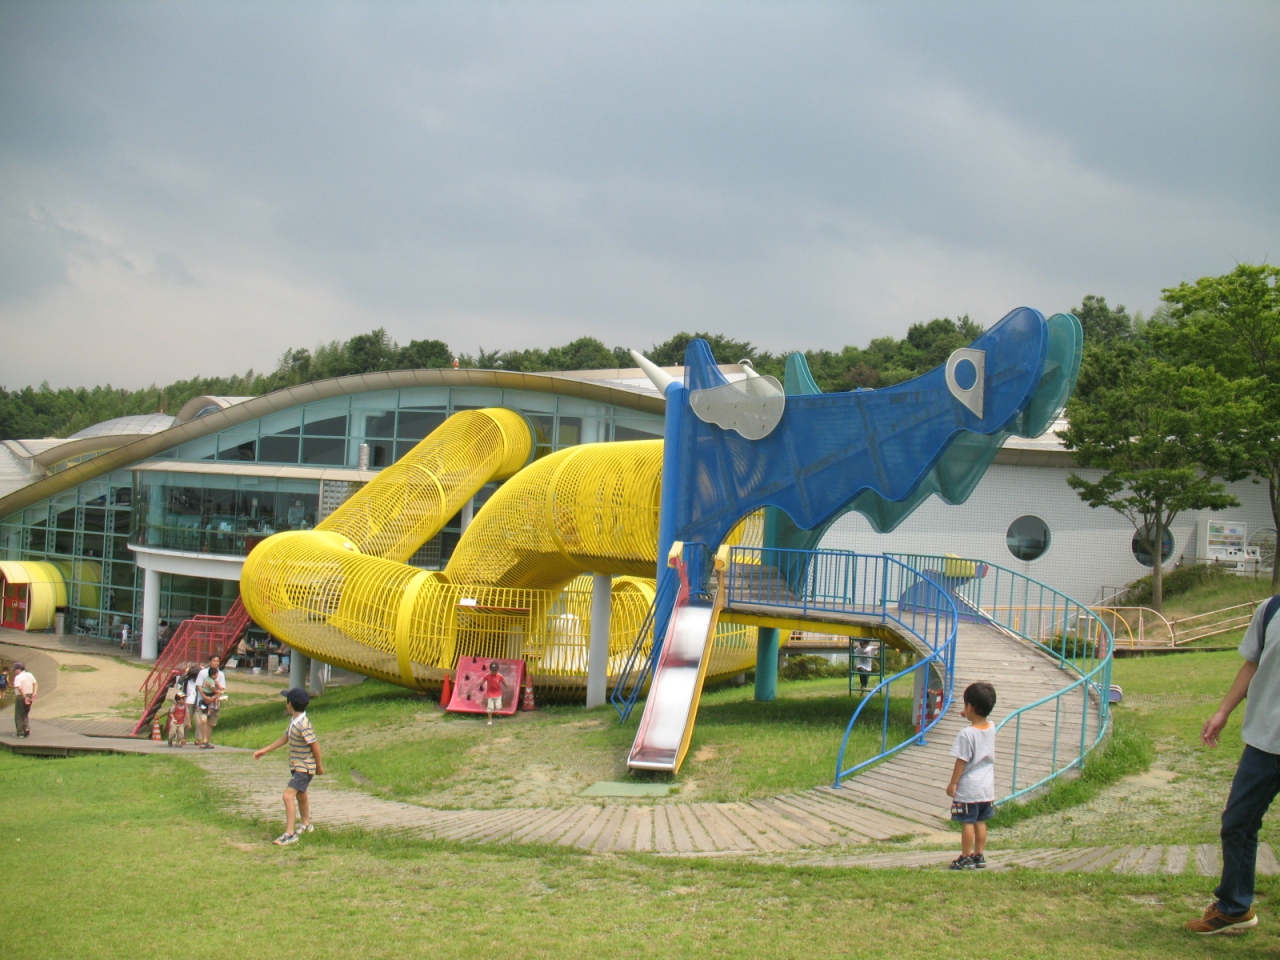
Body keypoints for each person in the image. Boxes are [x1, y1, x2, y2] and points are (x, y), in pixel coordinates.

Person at [1186, 597, 1280, 935]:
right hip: (1265, 741)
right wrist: (1223, 712)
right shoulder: (1271, 610)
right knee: (1237, 823)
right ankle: (1234, 908)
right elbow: (1252, 664)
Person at [252, 687, 324, 846]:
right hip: (297, 766)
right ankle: (306, 824)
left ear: (289, 704)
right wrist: (265, 750)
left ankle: (290, 833)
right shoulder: (294, 721)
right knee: (301, 795)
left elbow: (315, 746)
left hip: (304, 768)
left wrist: (319, 767)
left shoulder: (303, 724)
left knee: (288, 796)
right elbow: (285, 738)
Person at [945, 681, 997, 870]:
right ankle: (979, 855)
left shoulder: (966, 734)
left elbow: (961, 761)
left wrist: (953, 783)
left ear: (971, 707)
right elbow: (979, 723)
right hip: (986, 787)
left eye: (965, 705)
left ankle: (965, 856)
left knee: (967, 822)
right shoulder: (991, 726)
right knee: (980, 822)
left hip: (969, 787)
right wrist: (968, 715)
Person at [480, 662, 511, 726]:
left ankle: (501, 716)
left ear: (497, 670)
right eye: (492, 671)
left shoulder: (499, 676)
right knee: (490, 708)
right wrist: (480, 683)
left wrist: (507, 688)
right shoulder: (487, 676)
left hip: (498, 694)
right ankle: (490, 720)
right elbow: (482, 681)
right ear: (490, 670)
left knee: (498, 707)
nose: (494, 672)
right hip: (490, 694)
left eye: (495, 671)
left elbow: (503, 682)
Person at [11, 662, 36, 738]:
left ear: (19, 669)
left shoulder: (18, 677)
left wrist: (25, 697)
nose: (14, 671)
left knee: (19, 715)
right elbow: (35, 683)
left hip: (21, 696)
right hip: (30, 694)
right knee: (25, 713)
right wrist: (34, 693)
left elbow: (19, 688)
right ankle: (26, 728)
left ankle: (20, 733)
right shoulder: (30, 675)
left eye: (15, 670)